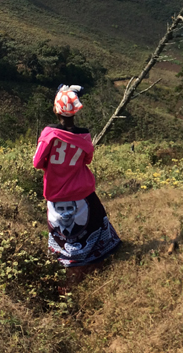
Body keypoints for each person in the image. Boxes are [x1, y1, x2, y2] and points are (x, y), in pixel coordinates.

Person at [33, 85, 121, 284]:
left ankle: (64, 263)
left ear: (56, 110)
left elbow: (37, 162)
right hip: (82, 191)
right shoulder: (84, 135)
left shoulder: (49, 134)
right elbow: (87, 160)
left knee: (59, 231)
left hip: (55, 193)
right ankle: (96, 259)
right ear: (76, 110)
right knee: (97, 220)